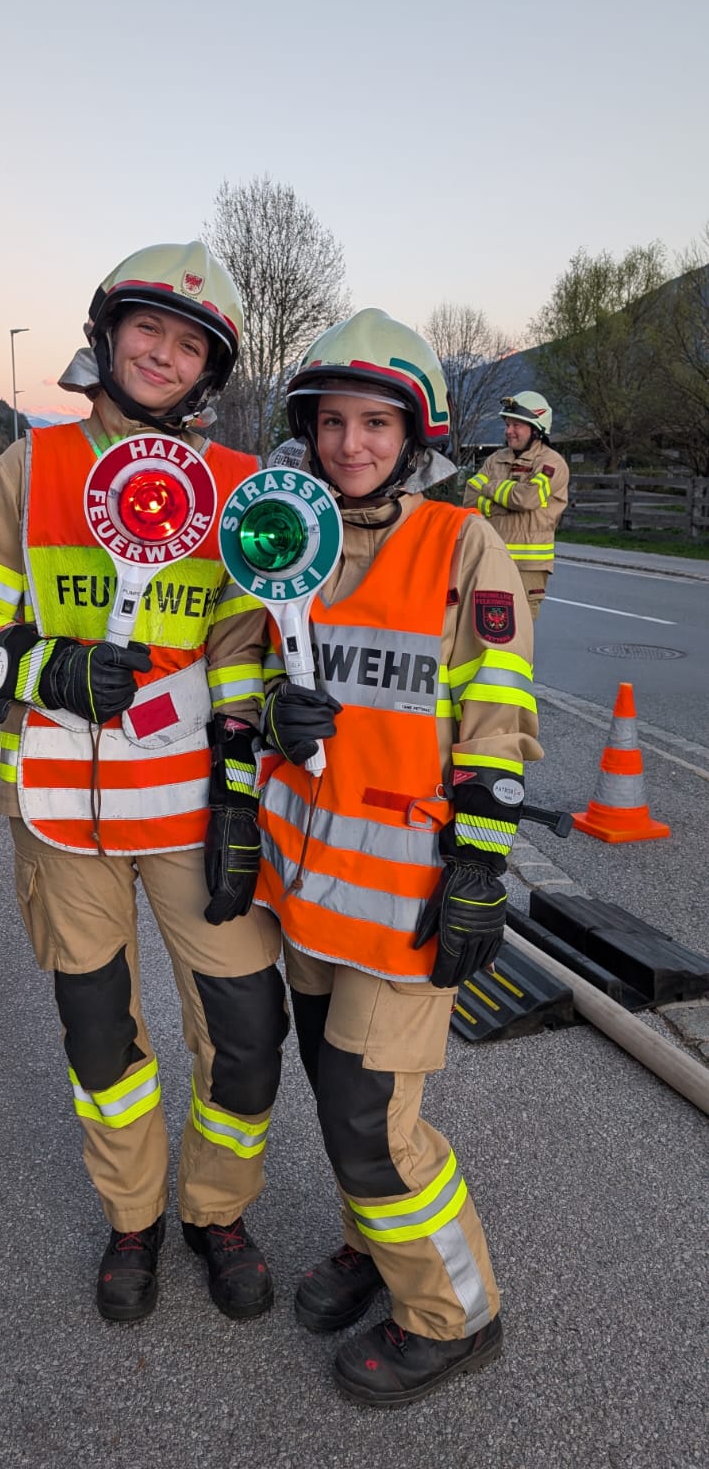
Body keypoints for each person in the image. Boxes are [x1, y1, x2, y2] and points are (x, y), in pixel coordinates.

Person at [0, 242, 289, 1325]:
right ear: (108, 334)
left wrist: (242, 789)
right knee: (100, 1033)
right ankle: (134, 1218)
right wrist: (44, 667)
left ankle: (216, 1211)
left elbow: (239, 648)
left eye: (189, 345)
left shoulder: (237, 490)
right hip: (58, 806)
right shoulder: (30, 466)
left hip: (187, 808)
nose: (164, 354)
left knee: (246, 1028)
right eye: (149, 330)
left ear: (209, 370)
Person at [255, 310, 542, 1407]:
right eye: (332, 422)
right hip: (311, 887)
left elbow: (499, 715)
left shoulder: (461, 544)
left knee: (374, 1125)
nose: (350, 444)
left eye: (375, 423)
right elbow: (257, 672)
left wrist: (480, 867)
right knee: (340, 1102)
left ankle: (455, 1314)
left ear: (414, 433)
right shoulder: (292, 538)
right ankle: (374, 1245)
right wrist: (272, 713)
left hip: (409, 897)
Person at [463, 392, 569, 620]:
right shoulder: (495, 459)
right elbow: (470, 499)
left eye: (516, 425)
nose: (508, 431)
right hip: (492, 559)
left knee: (520, 630)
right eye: (507, 424)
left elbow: (527, 499)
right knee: (488, 628)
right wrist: (508, 502)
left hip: (529, 566)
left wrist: (490, 489)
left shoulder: (551, 463)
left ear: (536, 429)